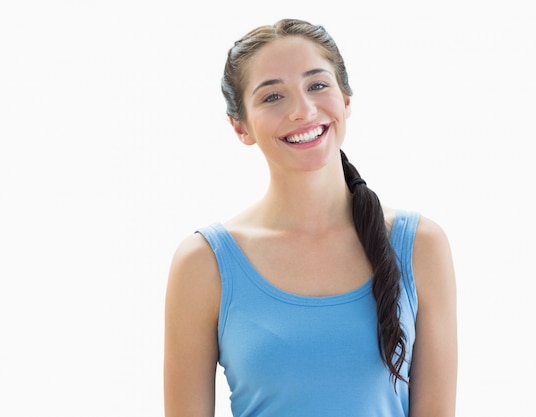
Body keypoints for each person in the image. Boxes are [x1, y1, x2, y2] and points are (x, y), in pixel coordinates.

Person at [164, 18, 457, 417]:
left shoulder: (420, 245)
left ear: (346, 99)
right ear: (240, 126)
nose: (303, 110)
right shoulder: (203, 264)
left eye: (317, 85)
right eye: (272, 97)